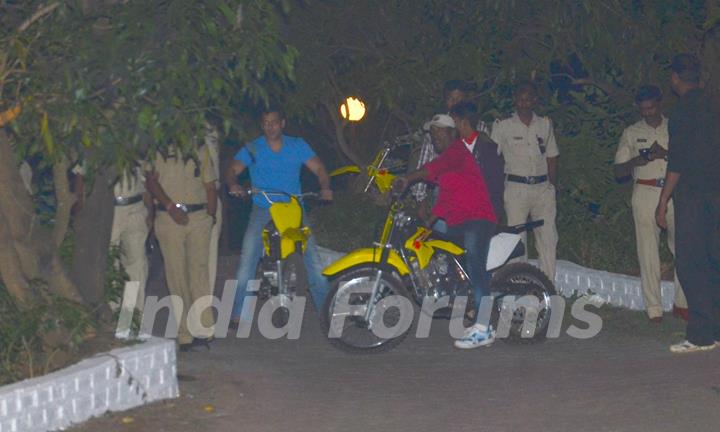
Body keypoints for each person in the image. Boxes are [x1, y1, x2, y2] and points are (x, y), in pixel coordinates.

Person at [394, 113, 497, 350]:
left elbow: (432, 168)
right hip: (459, 220)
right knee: (441, 251)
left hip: (477, 219)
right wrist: (429, 222)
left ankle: (484, 329)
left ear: (452, 132)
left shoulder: (457, 151)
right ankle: (462, 296)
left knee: (475, 265)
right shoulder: (451, 162)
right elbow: (446, 199)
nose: (435, 136)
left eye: (440, 131)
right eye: (433, 133)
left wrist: (407, 178)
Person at [226, 107, 333, 328]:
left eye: (274, 122)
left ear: (282, 123)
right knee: (248, 259)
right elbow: (232, 170)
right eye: (265, 123)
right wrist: (233, 183)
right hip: (263, 207)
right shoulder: (253, 147)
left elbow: (320, 168)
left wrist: (325, 187)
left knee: (313, 259)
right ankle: (238, 313)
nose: (270, 127)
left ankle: (326, 310)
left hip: (293, 206)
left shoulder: (297, 145)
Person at [656, 53, 720, 353]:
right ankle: (715, 329)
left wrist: (663, 200)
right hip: (716, 193)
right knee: (713, 260)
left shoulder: (682, 111)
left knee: (691, 263)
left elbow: (678, 161)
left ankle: (700, 335)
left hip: (694, 195)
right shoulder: (713, 106)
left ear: (675, 78)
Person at [614, 85, 688, 323]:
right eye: (643, 109)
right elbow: (618, 170)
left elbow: (689, 160)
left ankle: (682, 303)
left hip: (673, 191)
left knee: (683, 248)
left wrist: (666, 153)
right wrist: (644, 157)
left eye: (651, 107)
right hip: (645, 190)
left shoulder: (674, 126)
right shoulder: (631, 132)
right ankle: (654, 308)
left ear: (660, 103)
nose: (648, 113)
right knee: (647, 251)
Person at [145, 143, 218, 350]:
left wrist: (211, 216)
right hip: (168, 217)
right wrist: (169, 206)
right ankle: (185, 333)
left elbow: (210, 184)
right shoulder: (158, 149)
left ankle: (204, 330)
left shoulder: (199, 148)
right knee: (176, 274)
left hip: (198, 216)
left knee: (199, 273)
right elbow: (151, 182)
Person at [73, 165, 153, 338]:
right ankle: (114, 318)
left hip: (136, 205)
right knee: (110, 264)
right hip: (109, 208)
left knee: (137, 265)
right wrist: (82, 206)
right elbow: (81, 175)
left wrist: (150, 210)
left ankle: (132, 319)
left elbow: (146, 177)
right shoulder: (94, 141)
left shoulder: (138, 140)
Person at [491, 81, 559, 281]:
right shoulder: (503, 126)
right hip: (516, 188)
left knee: (548, 238)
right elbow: (494, 159)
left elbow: (552, 156)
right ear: (514, 100)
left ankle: (548, 287)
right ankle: (519, 285)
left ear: (535, 100)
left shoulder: (545, 124)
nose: (524, 102)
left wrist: (552, 186)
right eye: (520, 98)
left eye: (528, 98)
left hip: (542, 188)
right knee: (517, 240)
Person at [412, 80, 492, 203]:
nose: (455, 103)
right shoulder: (435, 128)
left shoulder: (479, 127)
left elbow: (488, 163)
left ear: (465, 100)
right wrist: (420, 198)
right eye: (451, 99)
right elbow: (425, 161)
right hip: (443, 190)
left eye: (459, 99)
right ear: (445, 100)